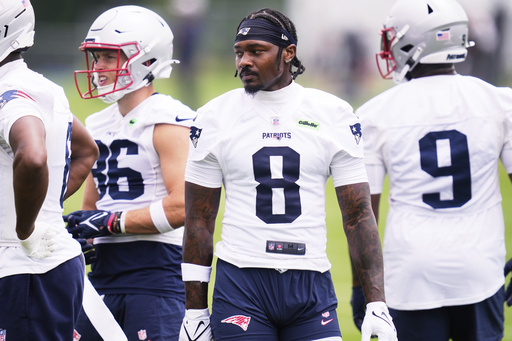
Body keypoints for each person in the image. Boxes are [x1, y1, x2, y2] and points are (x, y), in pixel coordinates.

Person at [178, 7, 397, 341]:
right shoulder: (214, 117)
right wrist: (194, 312)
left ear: (289, 53)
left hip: (310, 281)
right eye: (239, 53)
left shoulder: (333, 114)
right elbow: (198, 221)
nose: (244, 62)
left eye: (256, 51)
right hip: (241, 280)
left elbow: (357, 214)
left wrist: (377, 304)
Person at [353, 0, 512, 339]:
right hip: (480, 268)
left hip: (410, 272)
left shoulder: (374, 114)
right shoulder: (500, 102)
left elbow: (363, 214)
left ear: (414, 42)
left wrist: (363, 288)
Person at [65, 5, 196, 341]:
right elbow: (92, 208)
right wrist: (81, 232)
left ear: (146, 60)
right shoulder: (96, 124)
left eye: (109, 57)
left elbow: (184, 206)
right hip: (103, 274)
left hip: (156, 274)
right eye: (96, 58)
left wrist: (111, 223)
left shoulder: (169, 120)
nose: (98, 69)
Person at [0, 0, 99, 340]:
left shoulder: (9, 94)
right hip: (40, 264)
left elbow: (33, 157)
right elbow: (86, 151)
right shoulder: (42, 87)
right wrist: (45, 208)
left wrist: (26, 228)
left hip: (23, 268)